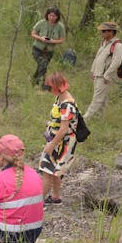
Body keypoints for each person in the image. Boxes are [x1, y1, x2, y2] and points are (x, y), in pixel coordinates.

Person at [39, 72, 79, 205]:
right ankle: (55, 197)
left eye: (50, 87)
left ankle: (38, 202)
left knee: (47, 170)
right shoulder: (60, 98)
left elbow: (63, 129)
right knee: (56, 171)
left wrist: (51, 146)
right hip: (57, 139)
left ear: (57, 87)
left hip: (62, 143)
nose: (49, 90)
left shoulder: (67, 105)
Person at [82, 21, 122, 120]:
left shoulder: (117, 45)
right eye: (102, 31)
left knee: (97, 99)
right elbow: (98, 57)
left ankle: (84, 119)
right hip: (98, 74)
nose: (102, 33)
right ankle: (99, 118)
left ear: (111, 32)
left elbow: (116, 62)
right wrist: (93, 70)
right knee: (102, 98)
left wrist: (107, 75)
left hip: (104, 76)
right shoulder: (104, 42)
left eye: (104, 31)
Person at [30, 7, 66, 88]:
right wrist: (41, 38)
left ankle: (34, 81)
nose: (52, 18)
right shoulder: (41, 23)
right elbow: (33, 33)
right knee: (43, 65)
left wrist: (52, 41)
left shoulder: (60, 26)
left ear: (57, 17)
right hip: (37, 49)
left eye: (54, 16)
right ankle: (42, 86)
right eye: (50, 15)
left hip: (49, 51)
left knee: (42, 66)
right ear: (47, 15)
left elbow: (62, 39)